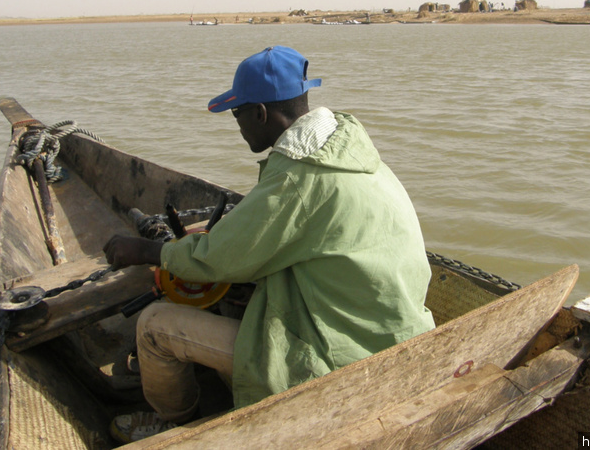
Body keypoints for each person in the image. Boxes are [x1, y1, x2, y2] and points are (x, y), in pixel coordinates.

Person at [103, 45, 435, 443]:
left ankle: (175, 422)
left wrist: (144, 251)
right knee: (236, 298)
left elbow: (214, 257)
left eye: (237, 114)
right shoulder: (351, 153)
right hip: (394, 333)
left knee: (154, 325)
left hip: (337, 355)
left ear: (260, 113)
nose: (237, 125)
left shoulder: (297, 179)